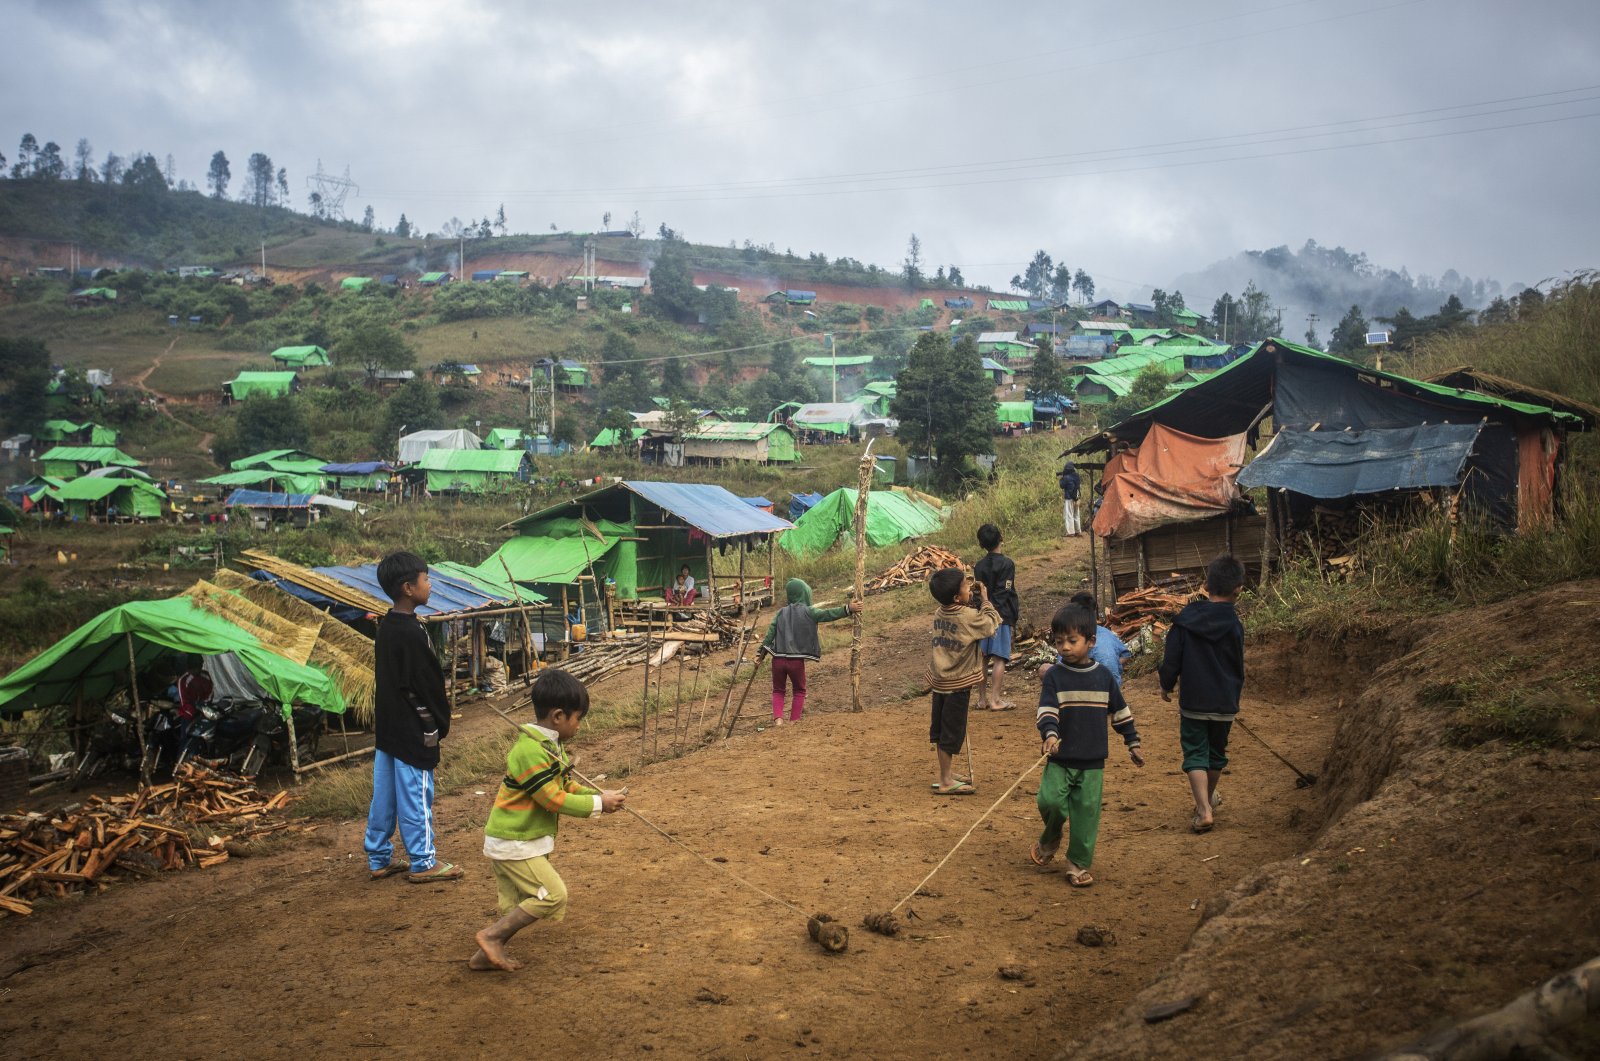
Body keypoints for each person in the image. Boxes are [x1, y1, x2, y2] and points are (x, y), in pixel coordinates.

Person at [470, 669, 627, 972]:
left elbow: (564, 785)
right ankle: (490, 937)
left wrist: (599, 793)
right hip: (514, 841)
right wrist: (598, 804)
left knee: (524, 902)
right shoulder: (529, 750)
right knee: (552, 895)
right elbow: (551, 799)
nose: (579, 725)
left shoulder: (548, 745)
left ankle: (484, 955)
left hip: (521, 838)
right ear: (558, 716)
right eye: (577, 718)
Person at [365, 551, 463, 883]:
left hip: (389, 729)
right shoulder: (410, 632)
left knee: (385, 796)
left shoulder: (387, 627)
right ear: (408, 588)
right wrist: (439, 721)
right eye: (425, 579)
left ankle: (378, 857)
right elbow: (427, 684)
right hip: (411, 730)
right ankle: (423, 862)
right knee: (416, 794)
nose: (430, 584)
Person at [1033, 602, 1144, 887]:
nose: (1065, 648)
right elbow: (1047, 710)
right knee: (1050, 803)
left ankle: (1077, 864)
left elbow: (1120, 711)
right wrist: (1050, 734)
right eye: (1059, 642)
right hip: (1060, 757)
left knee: (1085, 815)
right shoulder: (1055, 676)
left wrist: (1132, 741)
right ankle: (1052, 834)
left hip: (1093, 761)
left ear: (1091, 641)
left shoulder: (1104, 677)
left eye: (1072, 641)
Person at [1159, 554, 1247, 834]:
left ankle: (1204, 809)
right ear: (1238, 590)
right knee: (1216, 753)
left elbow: (1172, 657)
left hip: (1195, 701)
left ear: (1206, 586)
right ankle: (1208, 797)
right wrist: (1233, 697)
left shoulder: (1185, 621)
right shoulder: (1234, 625)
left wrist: (1166, 683)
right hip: (1224, 702)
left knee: (1196, 752)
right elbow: (1237, 663)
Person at [926, 567, 1000, 795]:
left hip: (940, 680)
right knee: (952, 730)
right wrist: (985, 600)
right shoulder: (967, 617)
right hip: (957, 683)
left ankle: (945, 772)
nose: (970, 588)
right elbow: (990, 625)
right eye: (966, 587)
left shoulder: (940, 613)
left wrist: (970, 598)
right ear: (958, 597)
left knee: (941, 728)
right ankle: (946, 780)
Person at [755, 578, 860, 726]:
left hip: (777, 660)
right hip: (796, 661)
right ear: (805, 594)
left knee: (778, 690)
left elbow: (769, 635)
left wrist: (759, 656)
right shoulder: (809, 612)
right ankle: (794, 722)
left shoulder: (780, 613)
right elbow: (828, 614)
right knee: (799, 690)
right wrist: (848, 609)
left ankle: (778, 720)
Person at [973, 524, 1020, 711]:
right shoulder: (1007, 564)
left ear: (981, 544)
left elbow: (979, 592)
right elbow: (1004, 591)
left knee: (983, 658)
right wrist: (996, 613)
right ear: (1001, 537)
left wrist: (985, 610)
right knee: (1000, 658)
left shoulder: (979, 565)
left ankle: (982, 699)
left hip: (983, 616)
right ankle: (995, 699)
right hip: (1001, 616)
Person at [175, 655, 213, 723]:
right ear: (189, 667)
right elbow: (183, 701)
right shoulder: (183, 680)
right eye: (194, 668)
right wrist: (194, 708)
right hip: (189, 714)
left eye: (200, 666)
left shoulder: (205, 675)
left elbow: (210, 691)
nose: (197, 670)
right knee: (187, 732)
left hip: (204, 711)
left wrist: (204, 704)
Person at [1058, 462, 1082, 536]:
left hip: (1069, 498)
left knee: (1069, 515)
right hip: (1077, 498)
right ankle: (1078, 531)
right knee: (1076, 515)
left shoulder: (1066, 477)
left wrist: (1062, 477)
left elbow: (1061, 485)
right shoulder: (1077, 476)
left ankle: (1070, 532)